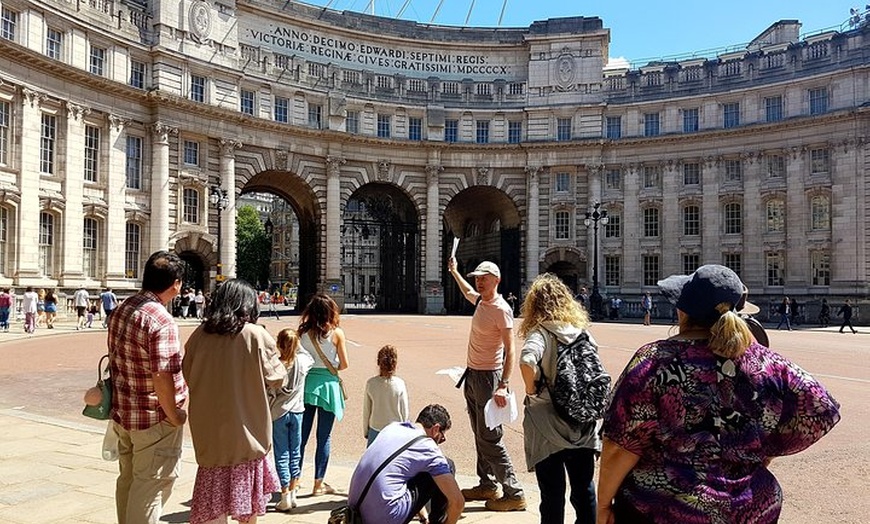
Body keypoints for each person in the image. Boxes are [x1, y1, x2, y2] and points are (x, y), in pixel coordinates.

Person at [598, 264, 841, 524]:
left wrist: (601, 506)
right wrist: (764, 450)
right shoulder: (766, 362)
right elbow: (822, 408)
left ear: (683, 311)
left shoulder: (655, 361)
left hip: (666, 508)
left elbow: (619, 447)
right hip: (749, 507)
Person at [183, 278, 286, 524]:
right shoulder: (255, 335)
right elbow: (277, 378)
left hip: (209, 439)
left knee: (212, 512)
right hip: (247, 436)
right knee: (247, 514)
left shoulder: (199, 335)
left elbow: (187, 374)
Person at [108, 250, 187, 524]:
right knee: (152, 484)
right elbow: (162, 374)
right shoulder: (161, 320)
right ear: (176, 283)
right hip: (154, 418)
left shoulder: (122, 308)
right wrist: (174, 414)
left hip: (122, 412)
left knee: (128, 479)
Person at [518, 274, 601, 524]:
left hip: (548, 426)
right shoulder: (581, 332)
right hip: (583, 422)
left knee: (553, 494)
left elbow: (526, 360)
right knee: (585, 492)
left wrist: (532, 388)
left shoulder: (541, 332)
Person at [446, 258, 526, 512]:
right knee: (479, 433)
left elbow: (511, 350)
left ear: (497, 280)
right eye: (477, 277)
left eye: (484, 277)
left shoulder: (501, 309)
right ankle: (487, 484)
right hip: (472, 375)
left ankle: (514, 492)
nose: (478, 281)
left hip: (489, 378)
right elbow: (467, 291)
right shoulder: (482, 301)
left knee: (490, 437)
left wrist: (503, 384)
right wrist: (455, 272)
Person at [348, 404, 465, 524]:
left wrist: (423, 517)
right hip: (386, 517)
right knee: (447, 465)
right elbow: (457, 502)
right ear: (436, 429)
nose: (441, 441)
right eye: (442, 437)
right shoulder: (428, 447)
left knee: (416, 468)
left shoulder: (392, 428)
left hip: (355, 512)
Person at [298, 293, 349, 496]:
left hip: (307, 385)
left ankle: (295, 478)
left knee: (301, 437)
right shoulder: (337, 333)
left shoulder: (302, 332)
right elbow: (344, 364)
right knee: (324, 437)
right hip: (328, 386)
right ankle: (318, 484)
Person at [269, 327, 314, 511]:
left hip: (278, 412)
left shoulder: (275, 366)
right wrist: (297, 345)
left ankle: (285, 492)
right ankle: (294, 490)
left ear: (279, 344)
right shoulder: (302, 362)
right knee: (296, 451)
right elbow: (308, 356)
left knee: (281, 453)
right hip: (297, 410)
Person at [363, 345, 410, 447]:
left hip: (375, 428)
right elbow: (404, 412)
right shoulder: (400, 384)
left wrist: (366, 431)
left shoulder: (371, 383)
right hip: (395, 430)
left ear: (378, 362)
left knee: (373, 460)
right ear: (395, 364)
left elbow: (367, 410)